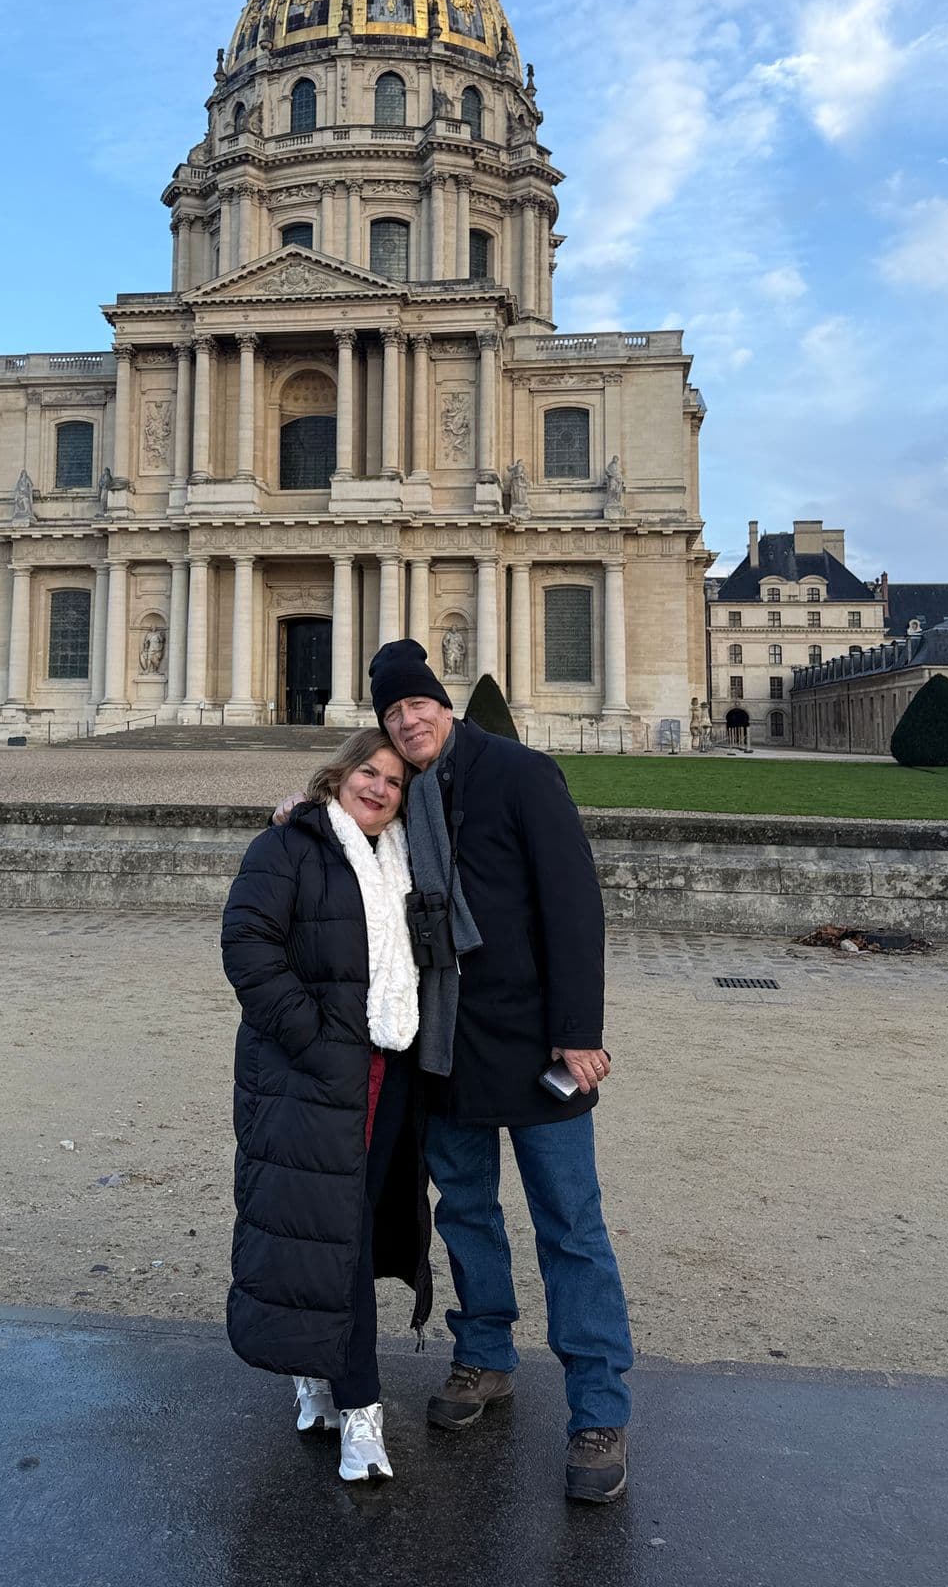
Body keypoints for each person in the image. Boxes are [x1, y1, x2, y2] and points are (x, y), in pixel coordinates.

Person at [281, 639, 633, 1502]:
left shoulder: (521, 773)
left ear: (446, 704)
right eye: (394, 714)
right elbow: (346, 841)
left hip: (537, 1043)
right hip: (442, 1046)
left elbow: (573, 904)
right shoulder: (401, 795)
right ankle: (484, 1357)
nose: (409, 722)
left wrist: (577, 1030)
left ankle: (598, 1410)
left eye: (418, 706)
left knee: (571, 1227)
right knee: (467, 1213)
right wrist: (300, 811)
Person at [222, 728, 431, 1484]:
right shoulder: (286, 846)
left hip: (387, 1072)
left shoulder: (406, 857)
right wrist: (313, 1041)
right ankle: (362, 1408)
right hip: (313, 1074)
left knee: (342, 1234)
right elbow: (247, 943)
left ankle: (315, 1375)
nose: (378, 787)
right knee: (328, 1232)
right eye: (367, 772)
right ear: (338, 775)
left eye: (395, 781)